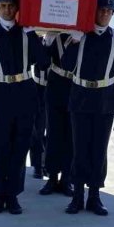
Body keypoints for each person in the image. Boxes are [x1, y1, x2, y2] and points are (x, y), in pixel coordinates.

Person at [0, 0, 49, 214]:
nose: (7, 10)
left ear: (17, 7)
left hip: (24, 93)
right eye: (3, 6)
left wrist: (32, 34)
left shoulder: (26, 33)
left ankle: (13, 196)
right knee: (0, 147)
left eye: (11, 6)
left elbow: (43, 62)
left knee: (20, 146)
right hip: (0, 94)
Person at [62, 0, 114, 216]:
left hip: (105, 100)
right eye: (102, 10)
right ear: (94, 11)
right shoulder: (81, 34)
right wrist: (72, 42)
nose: (105, 14)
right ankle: (77, 196)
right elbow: (66, 66)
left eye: (109, 11)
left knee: (99, 150)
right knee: (79, 148)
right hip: (80, 97)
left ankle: (95, 196)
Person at [38, 31, 76, 197]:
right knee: (53, 134)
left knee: (71, 137)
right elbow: (42, 63)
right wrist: (46, 44)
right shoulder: (55, 36)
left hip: (76, 90)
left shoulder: (83, 36)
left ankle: (66, 178)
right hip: (55, 89)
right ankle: (52, 177)